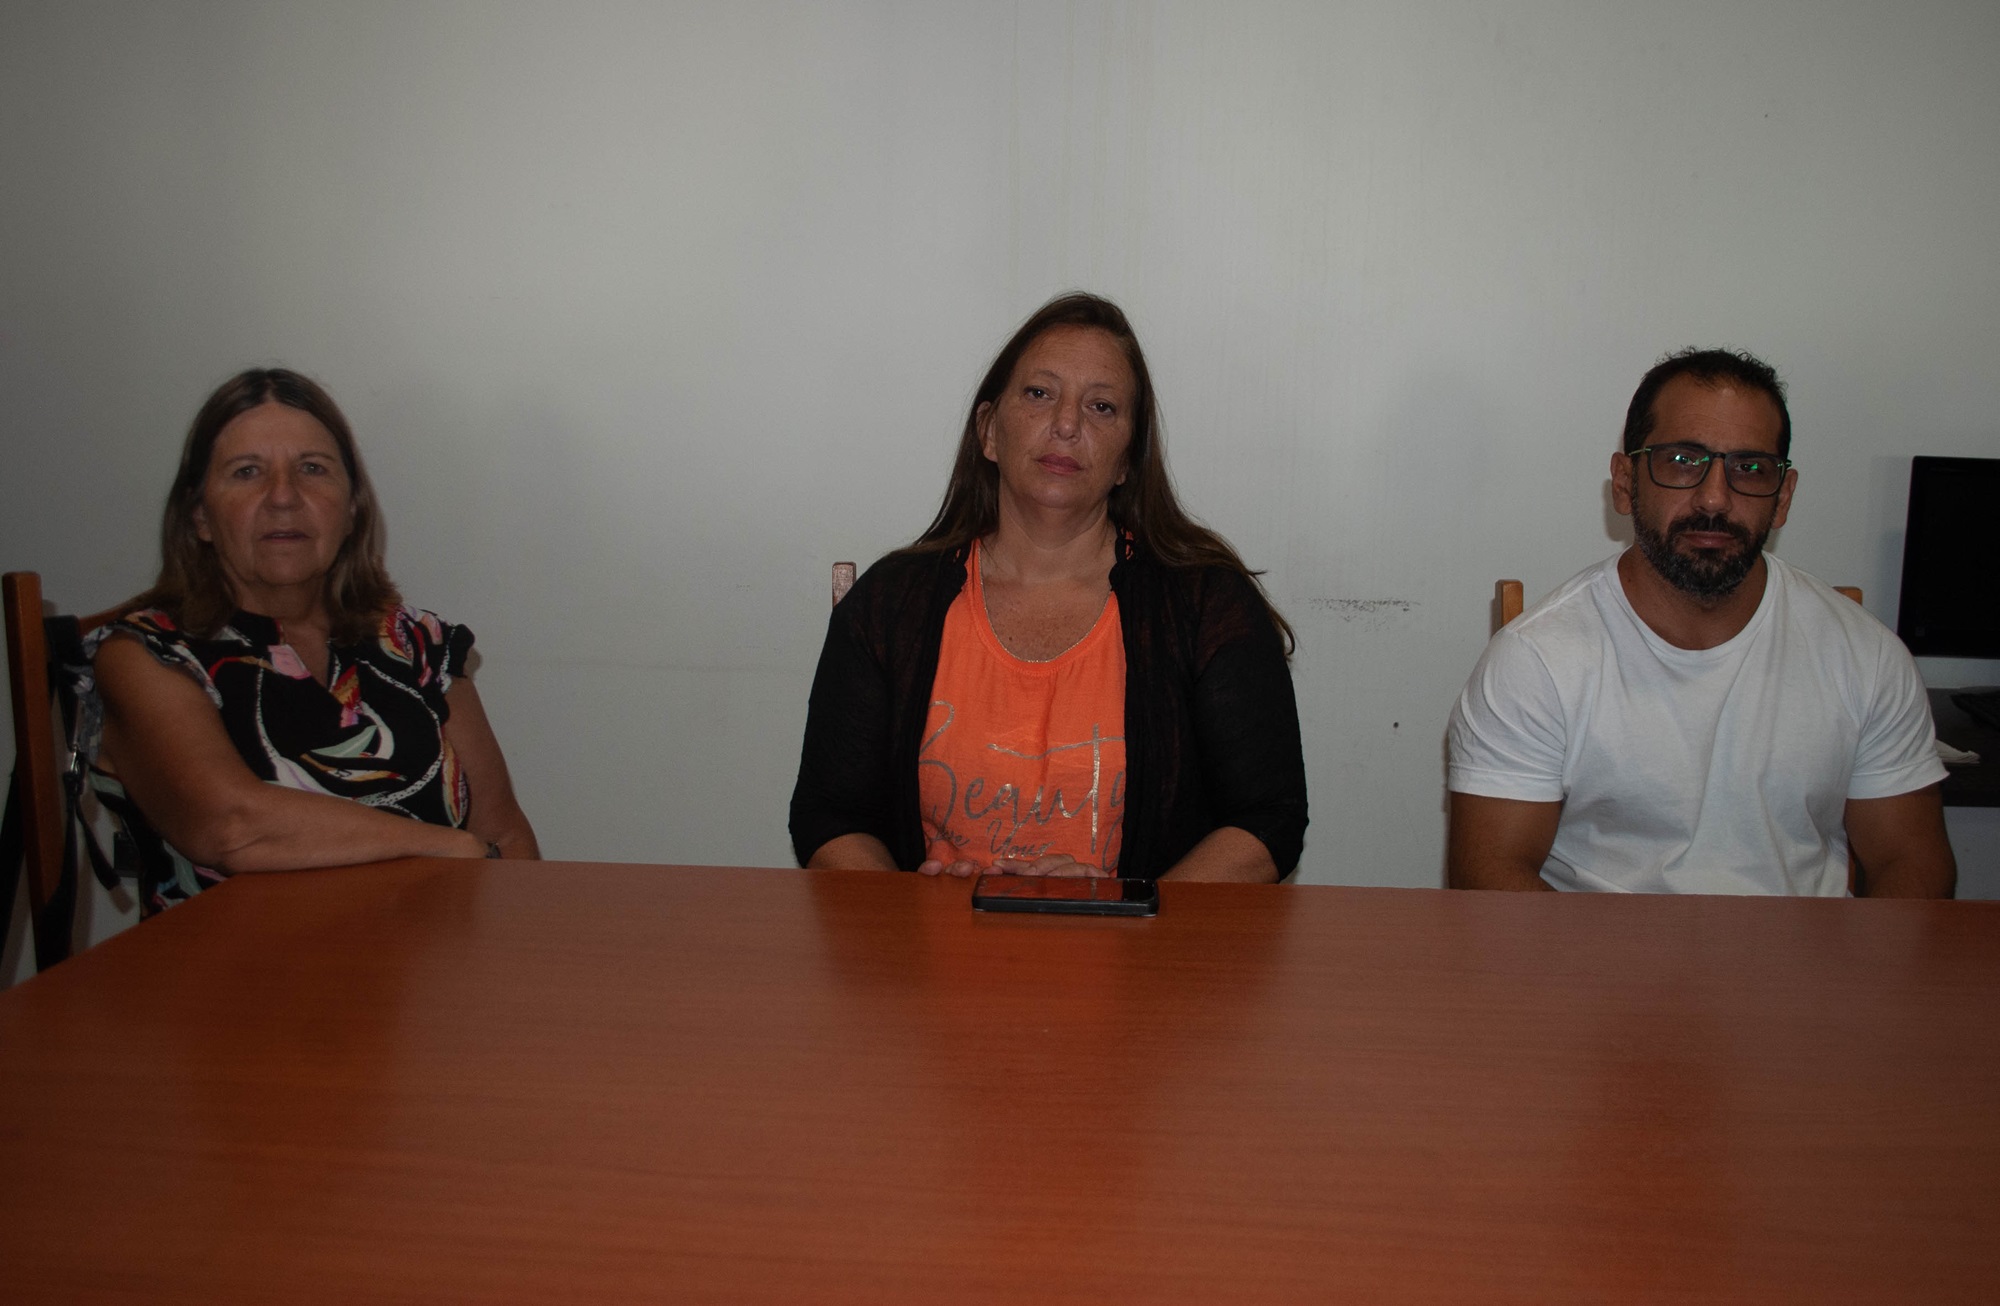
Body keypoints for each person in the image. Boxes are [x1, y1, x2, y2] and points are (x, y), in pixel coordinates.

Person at [790, 293, 1307, 882]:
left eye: (1102, 407)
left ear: (1126, 462)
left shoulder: (1206, 604)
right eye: (1039, 394)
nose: (1066, 424)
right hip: (931, 943)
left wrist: (1126, 910)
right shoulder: (888, 605)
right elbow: (829, 816)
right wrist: (907, 915)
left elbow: (1269, 817)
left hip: (1140, 943)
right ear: (989, 431)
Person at [1446, 348, 1955, 896]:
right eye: (1682, 461)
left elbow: (1911, 864)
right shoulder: (1537, 660)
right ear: (1625, 483)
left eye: (1750, 468)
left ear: (1783, 496)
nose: (1715, 498)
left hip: (1800, 949)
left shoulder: (1866, 656)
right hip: (1597, 947)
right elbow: (1491, 876)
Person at [82, 368, 540, 915]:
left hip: (432, 961)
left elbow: (506, 836)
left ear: (351, 510)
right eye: (247, 472)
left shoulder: (419, 644)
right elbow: (231, 827)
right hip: (234, 966)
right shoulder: (142, 657)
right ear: (200, 515)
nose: (283, 497)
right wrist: (449, 846)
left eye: (312, 469)